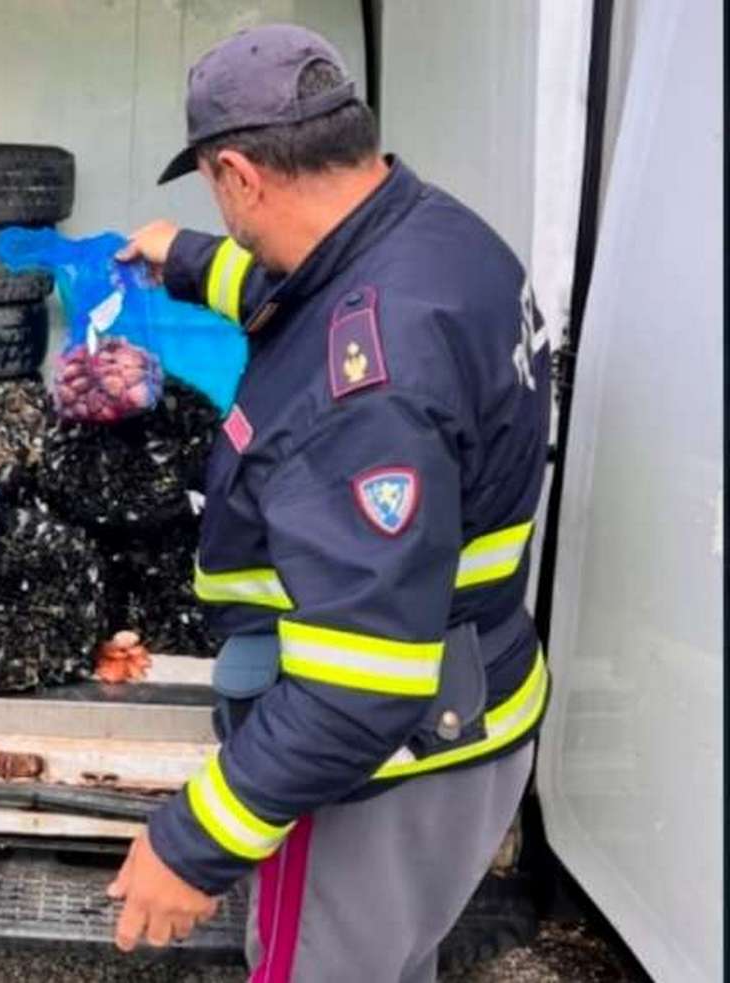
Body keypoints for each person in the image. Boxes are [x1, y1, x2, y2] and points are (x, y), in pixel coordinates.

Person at [110, 23, 551, 982]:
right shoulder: (438, 237)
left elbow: (359, 685)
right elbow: (298, 284)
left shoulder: (369, 386)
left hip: (383, 769)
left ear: (238, 173)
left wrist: (192, 841)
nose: (222, 217)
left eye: (212, 195)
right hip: (474, 701)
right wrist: (182, 256)